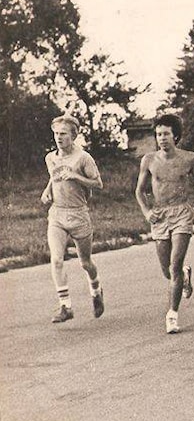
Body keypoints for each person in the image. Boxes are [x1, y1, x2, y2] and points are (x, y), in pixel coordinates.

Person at [134, 113, 194, 334]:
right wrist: (147, 211)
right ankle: (184, 274)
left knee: (173, 265)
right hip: (160, 214)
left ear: (176, 136)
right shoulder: (149, 160)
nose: (162, 138)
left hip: (182, 213)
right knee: (167, 270)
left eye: (166, 134)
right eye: (158, 135)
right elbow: (139, 191)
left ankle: (172, 314)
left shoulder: (189, 158)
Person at [41, 115, 105, 324]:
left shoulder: (83, 158)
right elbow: (54, 176)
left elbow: (98, 184)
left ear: (74, 135)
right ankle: (65, 306)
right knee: (56, 259)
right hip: (57, 213)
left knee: (85, 262)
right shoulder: (51, 158)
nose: (59, 138)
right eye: (56, 133)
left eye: (63, 134)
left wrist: (76, 176)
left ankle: (96, 289)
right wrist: (47, 190)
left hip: (79, 214)